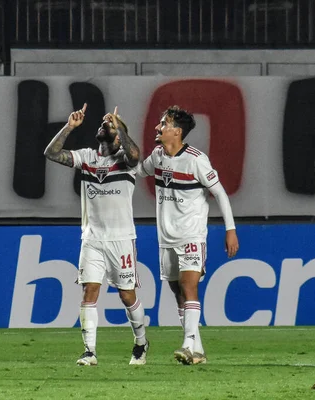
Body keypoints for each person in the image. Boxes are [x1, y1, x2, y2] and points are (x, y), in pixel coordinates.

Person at [44, 104, 149, 366]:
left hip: (121, 239)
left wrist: (118, 126)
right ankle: (89, 351)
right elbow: (51, 153)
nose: (103, 125)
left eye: (109, 125)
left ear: (118, 136)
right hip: (91, 239)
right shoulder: (88, 157)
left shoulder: (126, 162)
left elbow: (135, 155)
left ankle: (141, 342)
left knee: (127, 296)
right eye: (103, 124)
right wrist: (69, 126)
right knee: (89, 291)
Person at [133, 105, 239, 365]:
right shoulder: (158, 155)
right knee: (176, 289)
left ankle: (188, 344)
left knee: (189, 286)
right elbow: (137, 170)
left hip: (192, 235)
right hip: (166, 237)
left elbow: (220, 193)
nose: (158, 128)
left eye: (163, 124)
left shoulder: (196, 159)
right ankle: (198, 350)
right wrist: (120, 142)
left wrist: (230, 229)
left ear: (177, 132)